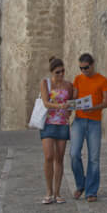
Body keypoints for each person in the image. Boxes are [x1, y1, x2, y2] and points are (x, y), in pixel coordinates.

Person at [71, 53, 107, 201]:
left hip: (94, 122)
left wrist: (94, 107)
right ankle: (81, 184)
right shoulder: (78, 79)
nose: (84, 71)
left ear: (92, 65)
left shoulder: (103, 81)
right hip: (79, 121)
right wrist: (73, 103)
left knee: (93, 158)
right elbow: (74, 97)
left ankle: (91, 191)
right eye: (81, 68)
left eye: (86, 68)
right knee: (74, 154)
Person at [39, 56, 74, 204]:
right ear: (52, 72)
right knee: (48, 156)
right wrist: (59, 106)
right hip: (48, 123)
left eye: (63, 71)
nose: (61, 74)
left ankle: (58, 193)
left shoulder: (68, 85)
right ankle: (48, 192)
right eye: (58, 72)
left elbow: (71, 103)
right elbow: (46, 103)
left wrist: (69, 110)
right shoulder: (45, 83)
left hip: (62, 123)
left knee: (59, 158)